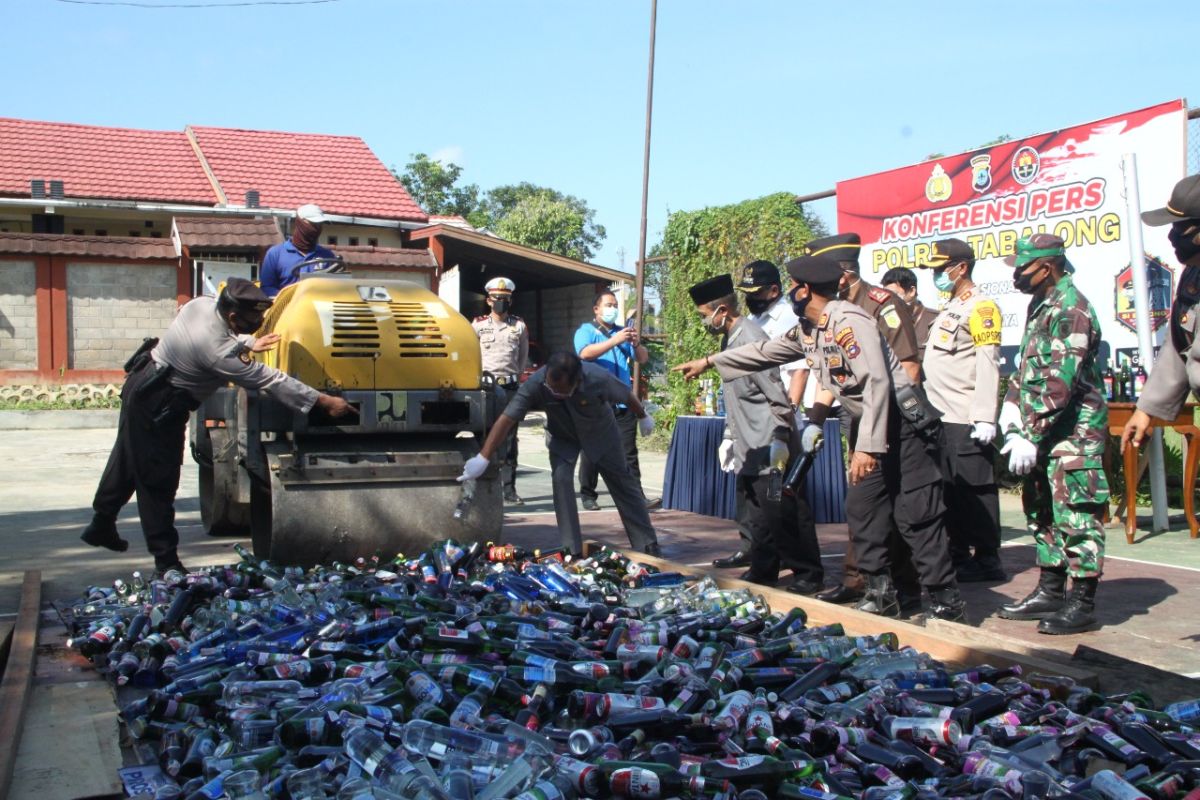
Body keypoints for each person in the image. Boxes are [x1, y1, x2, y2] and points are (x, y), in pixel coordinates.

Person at [674, 255, 965, 622]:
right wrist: (710, 362)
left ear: (805, 289)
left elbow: (876, 383)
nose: (791, 292)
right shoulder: (811, 327)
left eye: (794, 286)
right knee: (863, 511)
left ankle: (945, 604)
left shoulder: (849, 322)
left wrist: (867, 447)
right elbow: (766, 352)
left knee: (915, 516)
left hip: (901, 425)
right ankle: (881, 593)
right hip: (869, 424)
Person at [79, 278, 356, 574]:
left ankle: (101, 522)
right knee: (157, 478)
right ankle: (166, 562)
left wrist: (248, 342)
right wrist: (324, 402)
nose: (261, 322)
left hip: (143, 382)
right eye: (255, 319)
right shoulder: (216, 351)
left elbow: (216, 336)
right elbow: (269, 379)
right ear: (233, 316)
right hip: (161, 402)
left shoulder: (200, 304)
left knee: (128, 458)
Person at [996, 234, 1108, 635]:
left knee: (1076, 514)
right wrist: (1010, 408)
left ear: (1047, 267)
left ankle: (1082, 602)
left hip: (1073, 434)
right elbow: (1028, 368)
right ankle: (1050, 588)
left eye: (1022, 268)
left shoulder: (1071, 309)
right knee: (1041, 508)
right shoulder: (1040, 305)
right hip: (1041, 432)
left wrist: (1030, 430)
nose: (1016, 275)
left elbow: (1059, 382)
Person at [803, 233, 923, 605]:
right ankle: (860, 581)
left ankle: (904, 588)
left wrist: (878, 432)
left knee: (896, 509)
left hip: (892, 421)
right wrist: (815, 419)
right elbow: (831, 374)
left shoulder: (880, 305)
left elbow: (908, 368)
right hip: (859, 420)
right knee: (862, 506)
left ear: (840, 274)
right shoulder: (825, 312)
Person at [687, 274, 824, 594]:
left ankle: (808, 573)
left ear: (721, 310)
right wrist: (730, 436)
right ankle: (764, 570)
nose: (704, 321)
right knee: (758, 514)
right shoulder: (730, 338)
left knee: (784, 511)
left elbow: (774, 389)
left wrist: (780, 435)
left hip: (768, 439)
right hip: (748, 441)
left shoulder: (749, 337)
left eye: (704, 315)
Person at [459, 351, 660, 557]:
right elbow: (507, 419)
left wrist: (643, 416)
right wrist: (483, 457)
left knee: (623, 484)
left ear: (577, 380)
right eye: (551, 389)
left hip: (600, 433)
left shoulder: (598, 378)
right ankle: (570, 548)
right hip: (563, 436)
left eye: (560, 391)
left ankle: (647, 545)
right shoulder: (537, 383)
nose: (553, 393)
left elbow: (626, 395)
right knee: (561, 480)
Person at [916, 239, 1005, 583]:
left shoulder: (981, 307)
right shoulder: (952, 306)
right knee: (951, 489)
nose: (936, 275)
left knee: (976, 488)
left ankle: (987, 558)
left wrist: (985, 414)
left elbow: (988, 362)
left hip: (965, 414)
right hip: (941, 414)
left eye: (941, 268)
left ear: (961, 267)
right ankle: (959, 553)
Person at [1122, 174, 1200, 451]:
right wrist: (1147, 408)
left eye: (1181, 228)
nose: (1172, 236)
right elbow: (1179, 346)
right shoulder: (1193, 276)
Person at [575, 290, 656, 511]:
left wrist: (636, 343)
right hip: (596, 402)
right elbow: (584, 354)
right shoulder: (586, 331)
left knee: (628, 452)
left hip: (622, 402)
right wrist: (614, 340)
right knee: (592, 451)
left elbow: (642, 358)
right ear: (597, 309)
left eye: (615, 305)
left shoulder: (623, 332)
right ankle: (588, 494)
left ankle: (636, 495)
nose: (612, 309)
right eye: (608, 305)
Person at [472, 277, 529, 505]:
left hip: (510, 387)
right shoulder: (477, 325)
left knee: (509, 440)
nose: (501, 303)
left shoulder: (519, 326)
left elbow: (522, 356)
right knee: (483, 435)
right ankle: (483, 485)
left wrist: (518, 376)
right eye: (497, 299)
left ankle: (509, 489)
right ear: (488, 300)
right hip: (486, 387)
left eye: (505, 299)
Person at [735, 259, 810, 411]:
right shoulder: (752, 319)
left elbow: (800, 370)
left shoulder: (789, 317)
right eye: (747, 294)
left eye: (755, 294)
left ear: (774, 291)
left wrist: (790, 411)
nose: (750, 299)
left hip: (780, 410)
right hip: (757, 409)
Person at [259, 204, 338, 298]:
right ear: (300, 223)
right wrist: (289, 299)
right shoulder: (275, 254)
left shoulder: (328, 257)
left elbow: (336, 290)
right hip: (285, 310)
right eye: (313, 224)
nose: (317, 229)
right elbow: (267, 288)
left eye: (320, 225)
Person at [882, 266, 939, 355]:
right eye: (887, 295)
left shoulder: (935, 320)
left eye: (894, 294)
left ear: (912, 291)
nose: (890, 299)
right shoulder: (883, 322)